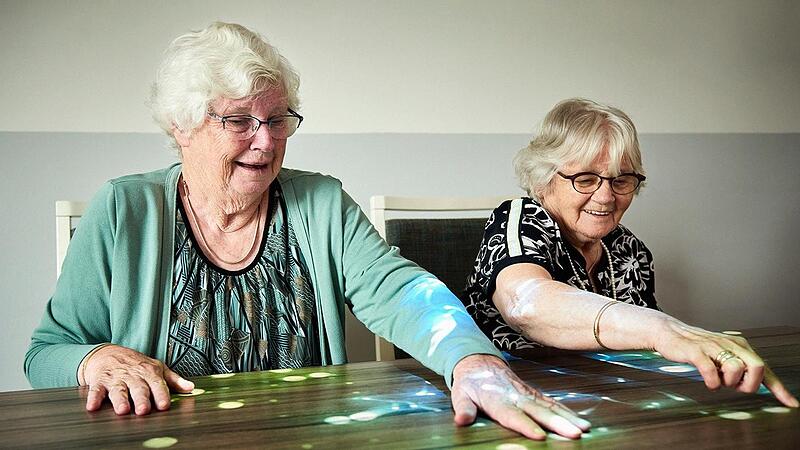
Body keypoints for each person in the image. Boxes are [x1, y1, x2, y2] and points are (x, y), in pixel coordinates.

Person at [24, 23, 591, 440]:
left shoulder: (320, 202)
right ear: (183, 126)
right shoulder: (123, 209)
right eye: (240, 120)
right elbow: (47, 353)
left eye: (277, 120)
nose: (266, 141)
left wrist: (471, 359)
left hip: (309, 435)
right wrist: (93, 359)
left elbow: (400, 290)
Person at [461, 98, 798, 408]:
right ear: (543, 180)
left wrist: (710, 355)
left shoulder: (628, 248)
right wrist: (659, 328)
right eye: (585, 179)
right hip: (508, 396)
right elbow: (526, 303)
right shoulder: (520, 219)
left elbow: (643, 351)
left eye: (621, 180)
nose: (606, 197)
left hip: (608, 398)